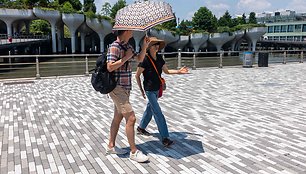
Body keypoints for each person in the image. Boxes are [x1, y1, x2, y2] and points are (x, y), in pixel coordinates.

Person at [135, 37, 189, 147]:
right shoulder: (145, 59)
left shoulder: (159, 58)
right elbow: (137, 75)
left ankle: (141, 128)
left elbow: (167, 71)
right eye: (155, 45)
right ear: (149, 47)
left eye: (158, 45)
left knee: (150, 109)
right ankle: (165, 138)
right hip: (149, 89)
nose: (157, 47)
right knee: (158, 113)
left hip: (157, 88)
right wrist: (141, 90)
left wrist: (178, 71)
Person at [106, 30, 150, 163]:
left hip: (125, 88)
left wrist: (144, 47)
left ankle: (111, 146)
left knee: (117, 117)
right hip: (117, 88)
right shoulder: (114, 46)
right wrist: (125, 57)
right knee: (131, 118)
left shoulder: (128, 46)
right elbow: (109, 67)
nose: (132, 31)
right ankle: (133, 151)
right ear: (125, 31)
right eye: (130, 29)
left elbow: (139, 59)